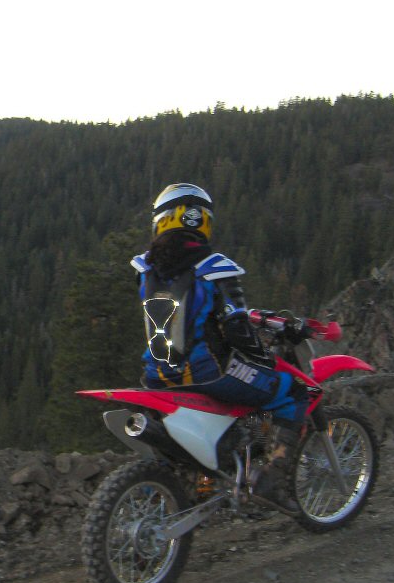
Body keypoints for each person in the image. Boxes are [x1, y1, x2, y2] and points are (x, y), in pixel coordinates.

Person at [130, 183, 309, 511]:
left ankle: (207, 479)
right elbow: (237, 326)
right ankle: (273, 480)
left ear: (162, 220)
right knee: (293, 391)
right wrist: (263, 359)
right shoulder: (214, 266)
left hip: (156, 375)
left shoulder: (144, 269)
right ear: (201, 220)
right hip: (208, 375)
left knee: (251, 397)